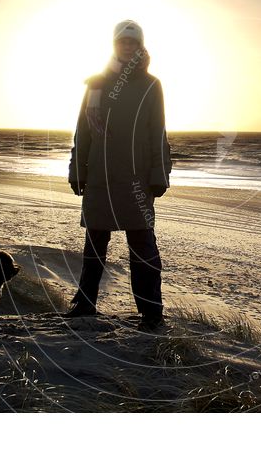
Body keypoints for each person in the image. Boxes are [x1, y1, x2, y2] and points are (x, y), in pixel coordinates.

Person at [65, 19, 172, 331]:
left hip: (136, 180)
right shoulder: (96, 84)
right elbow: (83, 132)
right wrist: (77, 169)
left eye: (133, 43)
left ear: (140, 47)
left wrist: (159, 173)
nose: (127, 47)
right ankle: (85, 303)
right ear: (115, 46)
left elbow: (158, 131)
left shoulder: (151, 85)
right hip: (99, 176)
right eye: (122, 42)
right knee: (94, 243)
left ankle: (151, 312)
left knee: (143, 246)